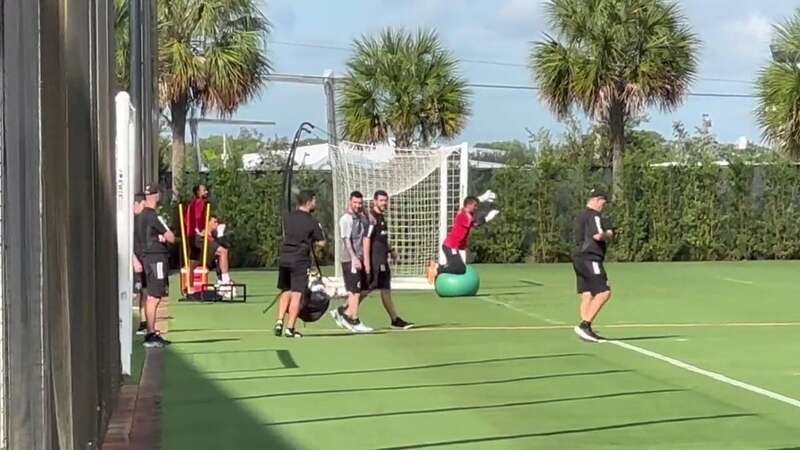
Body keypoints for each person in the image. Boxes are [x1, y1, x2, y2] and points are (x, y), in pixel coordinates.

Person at [274, 190, 326, 338]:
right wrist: (314, 245)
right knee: (297, 294)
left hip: (285, 257)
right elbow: (321, 242)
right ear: (309, 202)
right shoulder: (312, 221)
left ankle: (279, 321)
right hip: (300, 260)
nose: (315, 204)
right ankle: (290, 328)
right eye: (314, 201)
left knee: (286, 290)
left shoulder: (288, 218)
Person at [364, 190, 414, 330]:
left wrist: (391, 250)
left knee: (385, 289)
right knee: (369, 287)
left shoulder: (381, 217)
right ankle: (347, 310)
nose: (384, 203)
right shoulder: (372, 218)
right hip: (376, 260)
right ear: (375, 201)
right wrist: (367, 262)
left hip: (383, 259)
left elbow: (382, 239)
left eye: (385, 200)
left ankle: (395, 320)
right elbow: (367, 240)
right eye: (381, 200)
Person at [426, 192, 499, 284]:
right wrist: (487, 217)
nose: (476, 208)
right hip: (451, 246)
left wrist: (482, 198)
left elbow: (471, 203)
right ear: (469, 205)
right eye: (475, 206)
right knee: (459, 269)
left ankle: (436, 267)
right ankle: (436, 268)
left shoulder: (463, 211)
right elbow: (476, 223)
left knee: (458, 268)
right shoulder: (466, 216)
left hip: (451, 246)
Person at [136, 183, 176, 348]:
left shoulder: (140, 217)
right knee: (155, 296)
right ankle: (151, 333)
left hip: (146, 257)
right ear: (157, 196)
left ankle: (150, 330)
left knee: (150, 295)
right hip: (156, 258)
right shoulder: (154, 216)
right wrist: (163, 237)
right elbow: (171, 237)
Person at [572, 188, 614, 343]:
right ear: (596, 200)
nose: (604, 204)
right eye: (603, 201)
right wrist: (609, 233)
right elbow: (598, 235)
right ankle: (585, 325)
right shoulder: (594, 215)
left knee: (588, 292)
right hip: (590, 258)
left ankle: (585, 330)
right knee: (604, 292)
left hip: (578, 257)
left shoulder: (580, 216)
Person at [330, 191, 373, 333]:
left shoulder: (360, 217)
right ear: (350, 202)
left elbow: (371, 224)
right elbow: (346, 240)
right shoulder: (346, 219)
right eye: (355, 202)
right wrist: (354, 258)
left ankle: (342, 311)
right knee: (354, 290)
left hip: (359, 258)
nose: (358, 205)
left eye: (360, 203)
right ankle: (353, 319)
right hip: (349, 259)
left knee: (362, 290)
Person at [198, 214, 233, 289]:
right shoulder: (203, 235)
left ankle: (222, 280)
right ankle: (225, 281)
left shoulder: (213, 235)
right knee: (223, 252)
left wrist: (221, 236)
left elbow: (226, 247)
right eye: (215, 222)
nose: (217, 224)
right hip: (201, 260)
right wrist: (220, 235)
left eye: (217, 222)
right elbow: (222, 250)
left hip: (211, 260)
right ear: (207, 222)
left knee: (223, 253)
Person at [133, 193, 148, 335]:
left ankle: (144, 323)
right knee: (138, 292)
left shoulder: (143, 220)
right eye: (143, 204)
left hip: (144, 259)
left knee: (145, 291)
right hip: (135, 260)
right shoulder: (130, 221)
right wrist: (134, 259)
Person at [186, 184, 210, 264]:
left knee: (194, 256)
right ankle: (223, 275)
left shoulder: (192, 203)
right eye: (204, 190)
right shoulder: (199, 203)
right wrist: (200, 231)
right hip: (197, 235)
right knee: (218, 250)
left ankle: (191, 274)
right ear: (198, 192)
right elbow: (198, 218)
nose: (207, 192)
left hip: (192, 234)